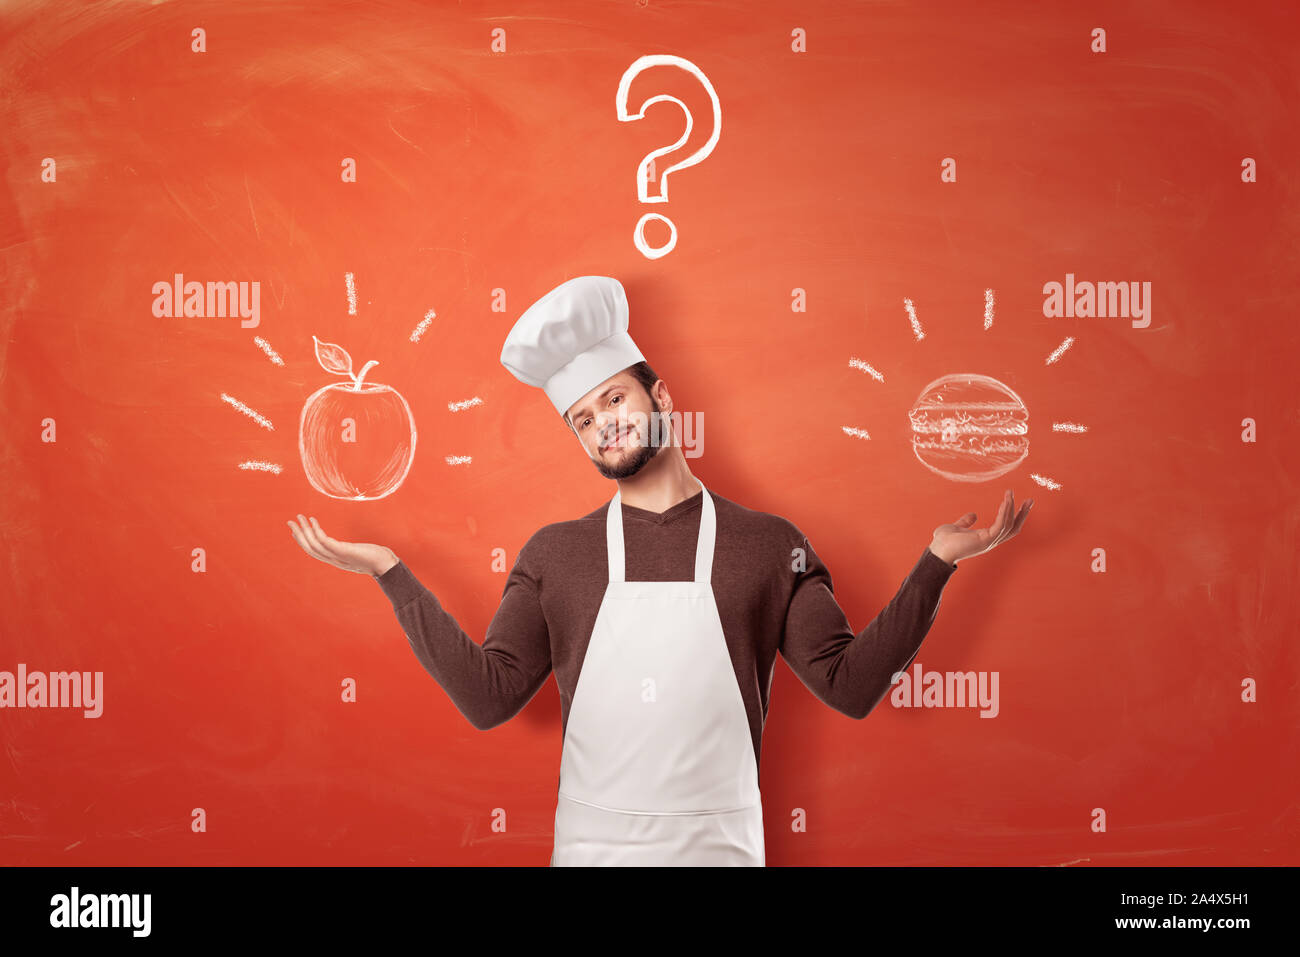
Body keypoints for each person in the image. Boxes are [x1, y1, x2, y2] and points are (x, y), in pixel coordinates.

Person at [287, 275, 1031, 866]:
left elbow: (851, 685)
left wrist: (936, 564)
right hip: (591, 851)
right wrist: (391, 572)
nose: (603, 422)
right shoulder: (554, 554)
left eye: (613, 397)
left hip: (722, 852)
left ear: (659, 395)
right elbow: (489, 698)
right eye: (582, 418)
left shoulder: (770, 545)